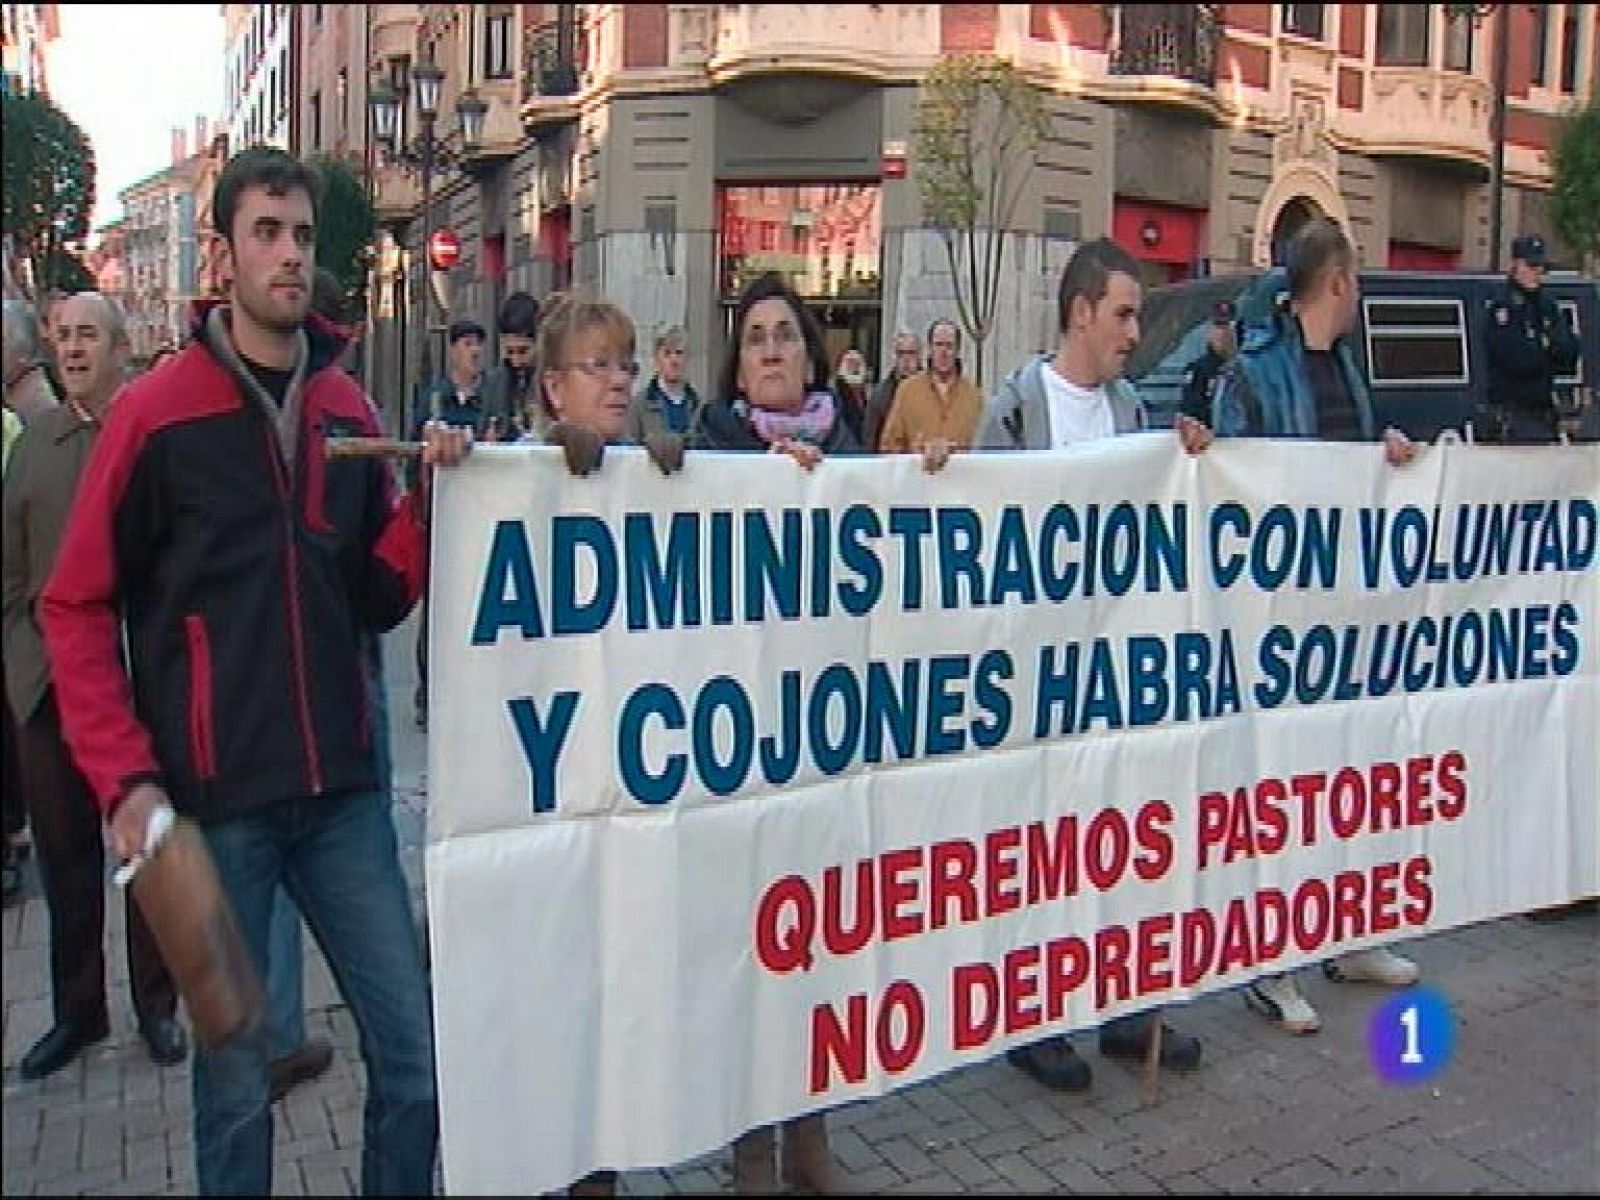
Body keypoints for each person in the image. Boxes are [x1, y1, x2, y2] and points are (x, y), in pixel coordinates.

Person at [38, 146, 469, 1195]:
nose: (286, 255)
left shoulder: (346, 412)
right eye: (265, 233)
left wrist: (429, 510)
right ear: (223, 254)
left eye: (302, 236)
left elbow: (376, 597)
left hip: (345, 803)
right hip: (218, 809)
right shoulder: (155, 414)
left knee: (415, 1063)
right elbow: (75, 602)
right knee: (235, 1091)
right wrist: (127, 781)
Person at [1175, 217, 1422, 1035]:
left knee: (1348, 776)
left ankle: (1349, 933)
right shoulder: (1253, 374)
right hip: (1281, 625)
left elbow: (1354, 469)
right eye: (1358, 278)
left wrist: (1388, 453)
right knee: (1281, 785)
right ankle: (1268, 964)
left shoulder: (1346, 369)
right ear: (1339, 283)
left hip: (1348, 616)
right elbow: (1242, 490)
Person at [973, 237, 1204, 1093]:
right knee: (1042, 843)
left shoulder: (1134, 414)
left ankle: (1124, 1007)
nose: (1134, 332)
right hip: (1038, 674)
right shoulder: (1015, 411)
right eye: (1123, 313)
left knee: (1121, 839)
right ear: (1079, 313)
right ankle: (1033, 1018)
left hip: (1115, 673)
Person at [691, 271, 858, 1194]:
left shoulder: (854, 455)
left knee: (819, 952)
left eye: (783, 335)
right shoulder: (705, 451)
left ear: (809, 355)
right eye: (753, 336)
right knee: (750, 957)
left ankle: (810, 1138)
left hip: (826, 748)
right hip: (739, 752)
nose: (768, 350)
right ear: (737, 363)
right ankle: (751, 1145)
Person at [3, 292, 187, 1078]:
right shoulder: (34, 448)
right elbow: (11, 575)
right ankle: (77, 1013)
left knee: (149, 852)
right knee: (67, 857)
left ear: (121, 349)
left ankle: (159, 1007)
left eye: (89, 336)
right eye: (64, 336)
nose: (74, 349)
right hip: (49, 691)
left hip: (139, 684)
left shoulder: (150, 439)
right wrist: (23, 674)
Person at [411, 316, 493, 728]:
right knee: (438, 607)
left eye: (478, 344)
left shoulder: (490, 402)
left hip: (482, 519)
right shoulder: (435, 399)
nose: (474, 352)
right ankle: (429, 693)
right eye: (466, 344)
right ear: (453, 351)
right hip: (442, 518)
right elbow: (417, 452)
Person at [1482, 234, 1580, 444]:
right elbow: (1520, 360)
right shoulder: (1504, 307)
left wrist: (1546, 347)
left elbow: (1569, 353)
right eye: (1531, 266)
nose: (1537, 273)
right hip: (1513, 414)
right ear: (1516, 264)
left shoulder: (1548, 306)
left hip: (1543, 412)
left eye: (1540, 267)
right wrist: (1548, 348)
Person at [879, 318, 984, 458]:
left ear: (958, 351)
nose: (944, 352)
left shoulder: (974, 396)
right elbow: (889, 446)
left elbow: (983, 448)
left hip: (960, 477)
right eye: (938, 345)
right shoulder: (908, 391)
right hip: (919, 477)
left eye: (949, 346)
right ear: (929, 349)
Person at [484, 289, 546, 440]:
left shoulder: (555, 381)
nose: (516, 361)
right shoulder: (494, 384)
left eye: (523, 351)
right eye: (509, 352)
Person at [626, 324, 702, 445]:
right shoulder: (640, 405)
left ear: (687, 358)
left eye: (679, 353)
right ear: (657, 359)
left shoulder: (699, 407)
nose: (674, 360)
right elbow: (630, 451)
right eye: (667, 353)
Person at [864, 329, 922, 452]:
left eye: (911, 353)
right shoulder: (880, 394)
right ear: (894, 356)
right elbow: (870, 438)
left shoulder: (931, 389)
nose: (906, 359)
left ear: (919, 355)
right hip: (891, 461)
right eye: (901, 353)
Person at [1179, 301, 1237, 424]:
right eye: (1218, 326)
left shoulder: (1250, 369)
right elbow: (1190, 415)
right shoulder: (1199, 370)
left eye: (1228, 326)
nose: (1224, 332)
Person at [831, 347, 870, 446]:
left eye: (858, 364)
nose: (854, 368)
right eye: (850, 363)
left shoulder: (870, 396)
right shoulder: (832, 397)